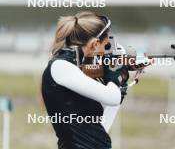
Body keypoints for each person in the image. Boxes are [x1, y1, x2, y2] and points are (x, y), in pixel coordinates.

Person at [41, 11, 129, 149]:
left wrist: (121, 81)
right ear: (94, 44)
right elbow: (112, 97)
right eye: (105, 46)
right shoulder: (61, 67)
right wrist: (113, 72)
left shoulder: (74, 67)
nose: (105, 53)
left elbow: (99, 128)